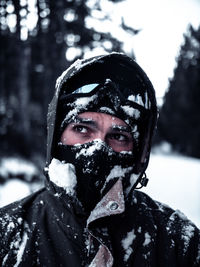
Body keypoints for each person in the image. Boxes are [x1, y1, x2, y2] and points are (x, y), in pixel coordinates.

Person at [0, 53, 199, 267]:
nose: (98, 147)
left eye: (119, 136)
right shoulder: (8, 234)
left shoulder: (177, 242)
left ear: (138, 153)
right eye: (82, 129)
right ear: (56, 137)